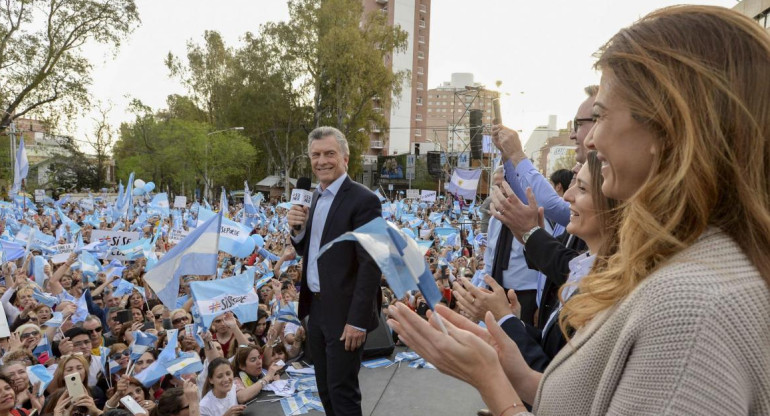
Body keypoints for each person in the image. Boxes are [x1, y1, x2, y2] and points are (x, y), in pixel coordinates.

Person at [388, 5, 770, 415]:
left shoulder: (690, 308)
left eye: (601, 116)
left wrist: (492, 385)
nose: (589, 142)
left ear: (667, 126)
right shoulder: (686, 269)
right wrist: (509, 367)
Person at [287, 126, 382, 416]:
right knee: (326, 389)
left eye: (329, 153)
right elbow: (307, 250)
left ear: (345, 158)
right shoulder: (313, 198)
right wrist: (297, 230)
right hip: (316, 310)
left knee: (343, 393)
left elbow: (371, 264)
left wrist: (358, 321)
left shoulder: (364, 200)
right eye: (316, 155)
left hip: (345, 314)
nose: (322, 161)